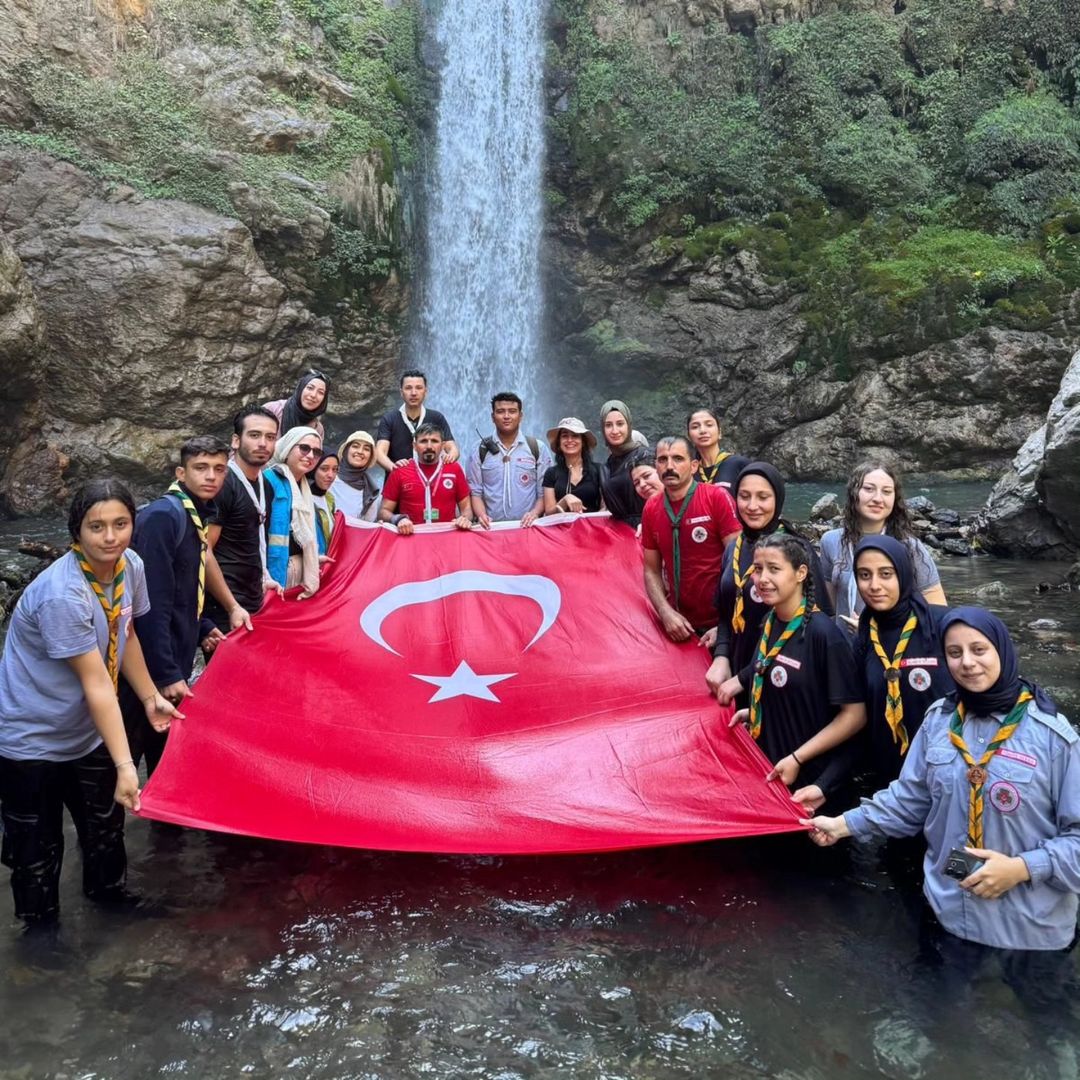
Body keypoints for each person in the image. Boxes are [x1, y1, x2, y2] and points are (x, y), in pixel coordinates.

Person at [804, 607, 1080, 952]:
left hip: (1030, 929)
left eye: (979, 650)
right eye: (954, 653)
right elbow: (908, 801)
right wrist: (842, 825)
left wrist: (1021, 868)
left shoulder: (1055, 738)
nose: (967, 662)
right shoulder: (938, 722)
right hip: (950, 914)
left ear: (1003, 651)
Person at [0, 480, 181, 924]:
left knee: (104, 830)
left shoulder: (130, 566)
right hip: (32, 741)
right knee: (37, 850)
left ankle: (110, 905)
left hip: (87, 730)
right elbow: (98, 683)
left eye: (120, 524)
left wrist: (149, 695)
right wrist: (126, 765)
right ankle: (41, 943)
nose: (109, 537)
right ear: (76, 531)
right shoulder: (63, 594)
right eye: (95, 526)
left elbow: (128, 634)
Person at [730, 532, 866, 814]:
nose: (763, 579)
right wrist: (758, 709)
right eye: (758, 569)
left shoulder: (825, 636)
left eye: (774, 569)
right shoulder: (769, 622)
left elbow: (855, 716)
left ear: (801, 573)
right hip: (774, 776)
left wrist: (798, 758)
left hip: (813, 787)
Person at [118, 437, 228, 776]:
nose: (211, 476)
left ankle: (158, 828)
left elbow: (183, 590)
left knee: (165, 764)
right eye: (201, 468)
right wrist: (166, 674)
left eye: (219, 469)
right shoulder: (163, 517)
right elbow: (150, 604)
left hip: (171, 660)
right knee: (126, 759)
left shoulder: (195, 515)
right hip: (145, 672)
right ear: (181, 472)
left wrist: (202, 626)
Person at [706, 463, 831, 709]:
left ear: (778, 499)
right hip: (736, 669)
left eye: (763, 497)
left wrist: (747, 675)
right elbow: (725, 613)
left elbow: (816, 624)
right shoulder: (734, 547)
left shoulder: (797, 550)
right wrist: (721, 656)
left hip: (784, 677)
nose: (752, 506)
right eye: (744, 496)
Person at [852, 535, 953, 788]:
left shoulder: (942, 624)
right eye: (865, 575)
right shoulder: (865, 635)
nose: (874, 585)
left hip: (947, 769)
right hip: (890, 777)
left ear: (904, 575)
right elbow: (858, 714)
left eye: (886, 574)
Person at [820, 462, 946, 631]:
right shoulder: (831, 541)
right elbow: (829, 608)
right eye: (869, 489)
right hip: (844, 649)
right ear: (853, 493)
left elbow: (938, 611)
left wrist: (873, 629)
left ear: (895, 498)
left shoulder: (909, 546)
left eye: (886, 491)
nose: (878, 498)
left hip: (893, 648)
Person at [640, 436, 740, 641]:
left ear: (694, 466)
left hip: (721, 621)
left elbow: (739, 561)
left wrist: (726, 624)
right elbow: (651, 569)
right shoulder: (651, 508)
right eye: (662, 460)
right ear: (655, 466)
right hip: (679, 623)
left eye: (678, 459)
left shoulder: (716, 497)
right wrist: (664, 611)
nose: (669, 466)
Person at [204, 405, 279, 635]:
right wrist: (232, 606)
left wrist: (265, 578)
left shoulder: (266, 485)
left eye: (270, 437)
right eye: (254, 435)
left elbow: (254, 542)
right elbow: (204, 550)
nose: (263, 444)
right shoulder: (223, 484)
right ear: (236, 441)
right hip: (225, 606)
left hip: (252, 599)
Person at [466, 392, 554, 526]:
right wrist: (482, 516)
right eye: (500, 411)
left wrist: (534, 513)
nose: (506, 416)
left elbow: (543, 492)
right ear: (493, 417)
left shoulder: (537, 448)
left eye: (512, 411)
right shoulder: (479, 449)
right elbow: (475, 492)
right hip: (491, 529)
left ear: (520, 416)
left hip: (528, 528)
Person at [264, 426, 327, 598]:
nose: (310, 456)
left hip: (299, 570)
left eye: (317, 452)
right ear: (288, 447)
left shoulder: (305, 488)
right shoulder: (268, 480)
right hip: (272, 573)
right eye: (304, 448)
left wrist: (315, 556)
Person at [379, 423, 473, 535]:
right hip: (412, 539)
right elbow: (383, 511)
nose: (429, 446)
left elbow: (466, 507)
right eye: (423, 441)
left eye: (434, 441)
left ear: (442, 445)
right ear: (414, 446)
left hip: (447, 538)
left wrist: (465, 518)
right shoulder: (400, 471)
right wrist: (398, 519)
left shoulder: (454, 469)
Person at [375, 369, 458, 472]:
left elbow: (453, 449)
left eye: (419, 388)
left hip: (430, 482)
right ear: (401, 392)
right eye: (408, 388)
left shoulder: (436, 418)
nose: (413, 393)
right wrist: (395, 469)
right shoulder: (390, 419)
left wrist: (449, 458)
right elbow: (379, 453)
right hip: (397, 484)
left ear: (425, 392)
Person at [598, 400, 650, 527]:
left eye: (620, 424)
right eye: (608, 425)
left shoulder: (645, 456)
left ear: (629, 425)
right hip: (616, 533)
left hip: (644, 528)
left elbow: (662, 496)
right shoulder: (607, 465)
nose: (615, 431)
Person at [543, 418, 604, 514]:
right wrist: (564, 501)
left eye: (575, 436)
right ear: (559, 443)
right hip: (562, 528)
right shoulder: (551, 473)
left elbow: (605, 507)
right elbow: (549, 512)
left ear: (583, 442)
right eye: (564, 436)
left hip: (592, 527)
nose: (570, 440)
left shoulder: (599, 470)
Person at [686, 407, 749, 493]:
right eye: (695, 427)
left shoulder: (739, 464)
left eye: (709, 425)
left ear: (719, 432)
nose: (703, 431)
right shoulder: (688, 471)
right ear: (689, 436)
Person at [263, 370, 330, 439]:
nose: (313, 395)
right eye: (310, 388)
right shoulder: (272, 410)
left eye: (321, 392)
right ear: (301, 388)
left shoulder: (317, 429)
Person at [332, 430, 380, 521]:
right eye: (355, 446)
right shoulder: (330, 477)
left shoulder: (370, 490)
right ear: (346, 450)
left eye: (366, 449)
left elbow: (368, 525)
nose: (360, 451)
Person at [310, 449, 340, 553]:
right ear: (313, 469)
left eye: (335, 469)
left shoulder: (329, 498)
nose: (331, 475)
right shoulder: (302, 497)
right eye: (324, 469)